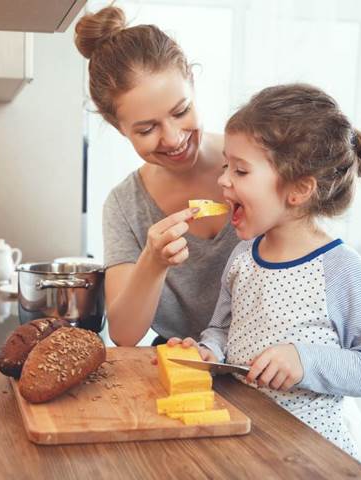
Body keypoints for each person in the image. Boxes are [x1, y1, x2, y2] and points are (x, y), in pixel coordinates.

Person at [169, 84, 361, 468]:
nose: (224, 180)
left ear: (299, 190)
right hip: (249, 446)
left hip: (313, 459)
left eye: (241, 170)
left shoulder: (342, 270)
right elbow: (224, 328)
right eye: (227, 165)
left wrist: (306, 361)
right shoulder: (243, 256)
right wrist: (208, 351)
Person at [74, 6, 239, 346]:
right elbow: (124, 335)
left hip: (273, 372)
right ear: (119, 128)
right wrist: (153, 261)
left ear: (192, 83)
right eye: (147, 129)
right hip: (181, 371)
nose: (174, 138)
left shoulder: (259, 164)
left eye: (181, 111)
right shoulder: (125, 206)